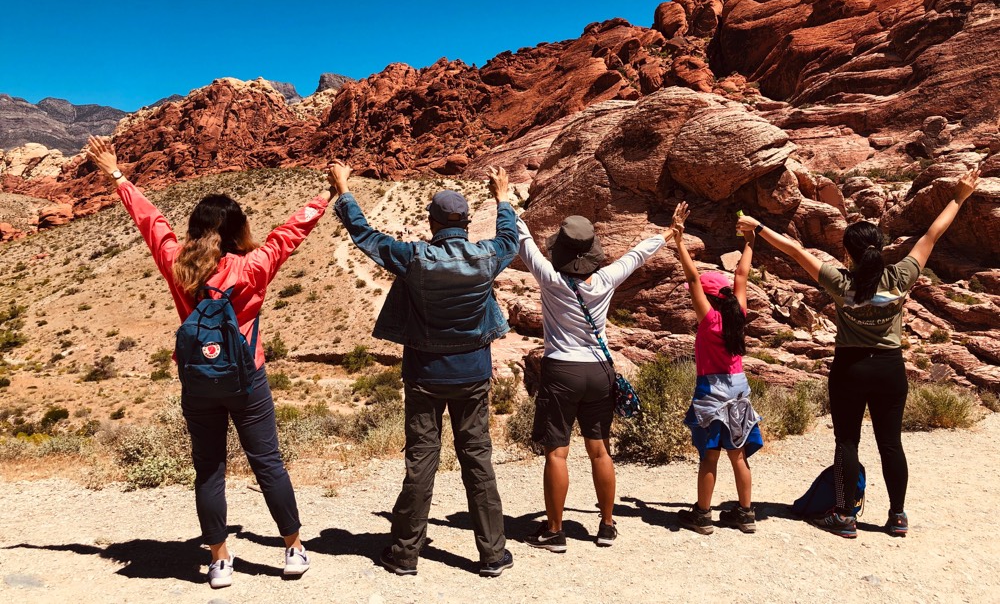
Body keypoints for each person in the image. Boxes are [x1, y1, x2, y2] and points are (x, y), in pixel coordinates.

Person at [85, 135, 331, 588]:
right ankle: (293, 550)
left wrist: (116, 175)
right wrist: (329, 193)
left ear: (196, 228)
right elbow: (290, 233)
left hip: (198, 381)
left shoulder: (177, 263)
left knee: (210, 469)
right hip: (247, 377)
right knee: (268, 463)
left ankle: (219, 559)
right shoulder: (254, 265)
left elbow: (151, 222)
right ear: (237, 230)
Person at [737, 166, 981, 539]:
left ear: (847, 253)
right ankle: (897, 516)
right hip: (890, 368)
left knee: (847, 441)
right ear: (879, 248)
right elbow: (933, 232)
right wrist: (960, 196)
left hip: (850, 368)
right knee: (891, 443)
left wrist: (757, 230)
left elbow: (795, 249)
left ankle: (845, 517)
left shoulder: (840, 282)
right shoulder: (900, 277)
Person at [329, 160, 517, 577]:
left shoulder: (415, 257)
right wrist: (502, 198)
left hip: (425, 376)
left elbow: (366, 237)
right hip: (472, 375)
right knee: (478, 461)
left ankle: (405, 553)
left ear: (432, 223)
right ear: (467, 223)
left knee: (421, 462)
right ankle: (491, 554)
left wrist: (345, 190)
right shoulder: (487, 256)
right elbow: (510, 238)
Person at [516, 212, 665, 551]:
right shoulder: (607, 279)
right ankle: (608, 525)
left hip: (562, 371)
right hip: (599, 371)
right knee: (600, 450)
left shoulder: (551, 278)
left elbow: (524, 241)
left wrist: (503, 200)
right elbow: (638, 255)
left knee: (557, 453)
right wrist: (668, 234)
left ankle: (554, 532)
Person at [669, 202, 763, 535]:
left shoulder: (709, 321)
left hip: (711, 390)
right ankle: (746, 513)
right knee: (737, 455)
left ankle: (703, 515)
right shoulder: (738, 312)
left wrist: (679, 240)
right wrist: (750, 239)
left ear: (709, 298)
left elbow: (692, 278)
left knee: (710, 456)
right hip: (738, 388)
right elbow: (741, 274)